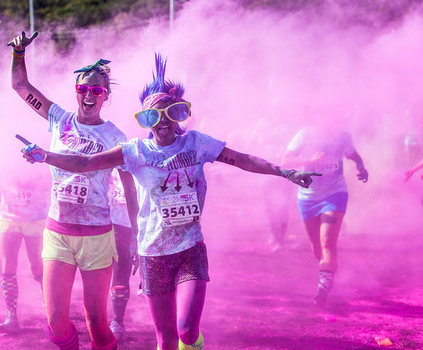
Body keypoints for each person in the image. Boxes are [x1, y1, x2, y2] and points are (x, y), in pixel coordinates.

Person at [20, 53, 320, 350]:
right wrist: (45, 156)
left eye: (170, 113)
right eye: (152, 115)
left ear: (180, 114)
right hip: (154, 254)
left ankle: (192, 343)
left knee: (187, 332)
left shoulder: (197, 143)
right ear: (145, 119)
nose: (162, 122)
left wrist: (286, 172)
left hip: (189, 248)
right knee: (165, 340)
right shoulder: (135, 150)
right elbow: (85, 163)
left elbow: (243, 160)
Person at [8, 31, 138, 350]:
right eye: (83, 88)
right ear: (76, 92)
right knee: (54, 321)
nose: (89, 94)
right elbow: (21, 87)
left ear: (105, 95)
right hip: (58, 232)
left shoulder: (116, 137)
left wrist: (135, 233)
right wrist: (19, 54)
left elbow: (130, 189)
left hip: (96, 236)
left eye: (96, 89)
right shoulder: (59, 119)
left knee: (96, 321)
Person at [282, 125, 368, 307]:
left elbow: (354, 155)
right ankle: (329, 271)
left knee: (328, 242)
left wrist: (361, 167)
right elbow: (285, 161)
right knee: (317, 249)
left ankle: (322, 290)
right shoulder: (304, 134)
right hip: (308, 197)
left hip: (335, 194)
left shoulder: (343, 135)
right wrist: (309, 160)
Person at [0, 167, 49, 334]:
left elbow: (50, 180)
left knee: (37, 267)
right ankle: (11, 316)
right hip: (8, 217)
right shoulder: (3, 153)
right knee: (8, 264)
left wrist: (29, 181)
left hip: (35, 217)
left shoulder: (37, 147)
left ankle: (50, 309)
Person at [107, 169, 134, 342]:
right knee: (98, 273)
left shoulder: (143, 157)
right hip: (104, 223)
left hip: (130, 226)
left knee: (121, 273)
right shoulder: (104, 159)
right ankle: (100, 319)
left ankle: (118, 321)